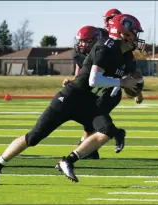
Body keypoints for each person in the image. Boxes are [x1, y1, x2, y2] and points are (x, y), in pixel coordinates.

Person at [0, 14, 145, 185]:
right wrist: (122, 82)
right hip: (70, 98)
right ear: (123, 33)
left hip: (89, 103)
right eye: (134, 33)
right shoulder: (105, 47)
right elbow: (94, 80)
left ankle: (67, 161)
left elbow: (131, 80)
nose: (137, 38)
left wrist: (136, 89)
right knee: (33, 138)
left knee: (107, 131)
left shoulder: (126, 56)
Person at [54, 13, 145, 182]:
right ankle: (84, 149)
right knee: (98, 124)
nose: (82, 44)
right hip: (91, 91)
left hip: (108, 91)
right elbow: (86, 72)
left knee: (99, 124)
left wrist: (136, 90)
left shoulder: (120, 49)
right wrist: (73, 82)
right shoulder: (103, 44)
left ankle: (82, 151)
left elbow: (130, 73)